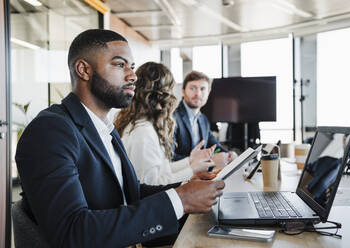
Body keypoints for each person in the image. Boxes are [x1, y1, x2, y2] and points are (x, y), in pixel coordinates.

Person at [15, 29, 225, 248]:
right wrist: (180, 200)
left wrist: (187, 187)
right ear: (84, 70)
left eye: (132, 67)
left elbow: (131, 192)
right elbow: (72, 233)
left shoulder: (104, 128)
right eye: (119, 64)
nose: (132, 75)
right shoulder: (50, 131)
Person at [115, 62, 216, 185]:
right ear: (162, 94)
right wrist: (192, 169)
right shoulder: (143, 132)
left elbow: (162, 170)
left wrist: (190, 161)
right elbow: (151, 185)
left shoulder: (144, 125)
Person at [173, 71, 238, 167]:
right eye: (192, 88)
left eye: (202, 89)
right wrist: (206, 160)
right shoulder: (172, 118)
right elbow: (170, 157)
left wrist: (230, 155)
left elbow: (216, 147)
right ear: (183, 91)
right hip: (179, 178)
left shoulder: (203, 120)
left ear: (208, 93)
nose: (198, 94)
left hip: (199, 177)